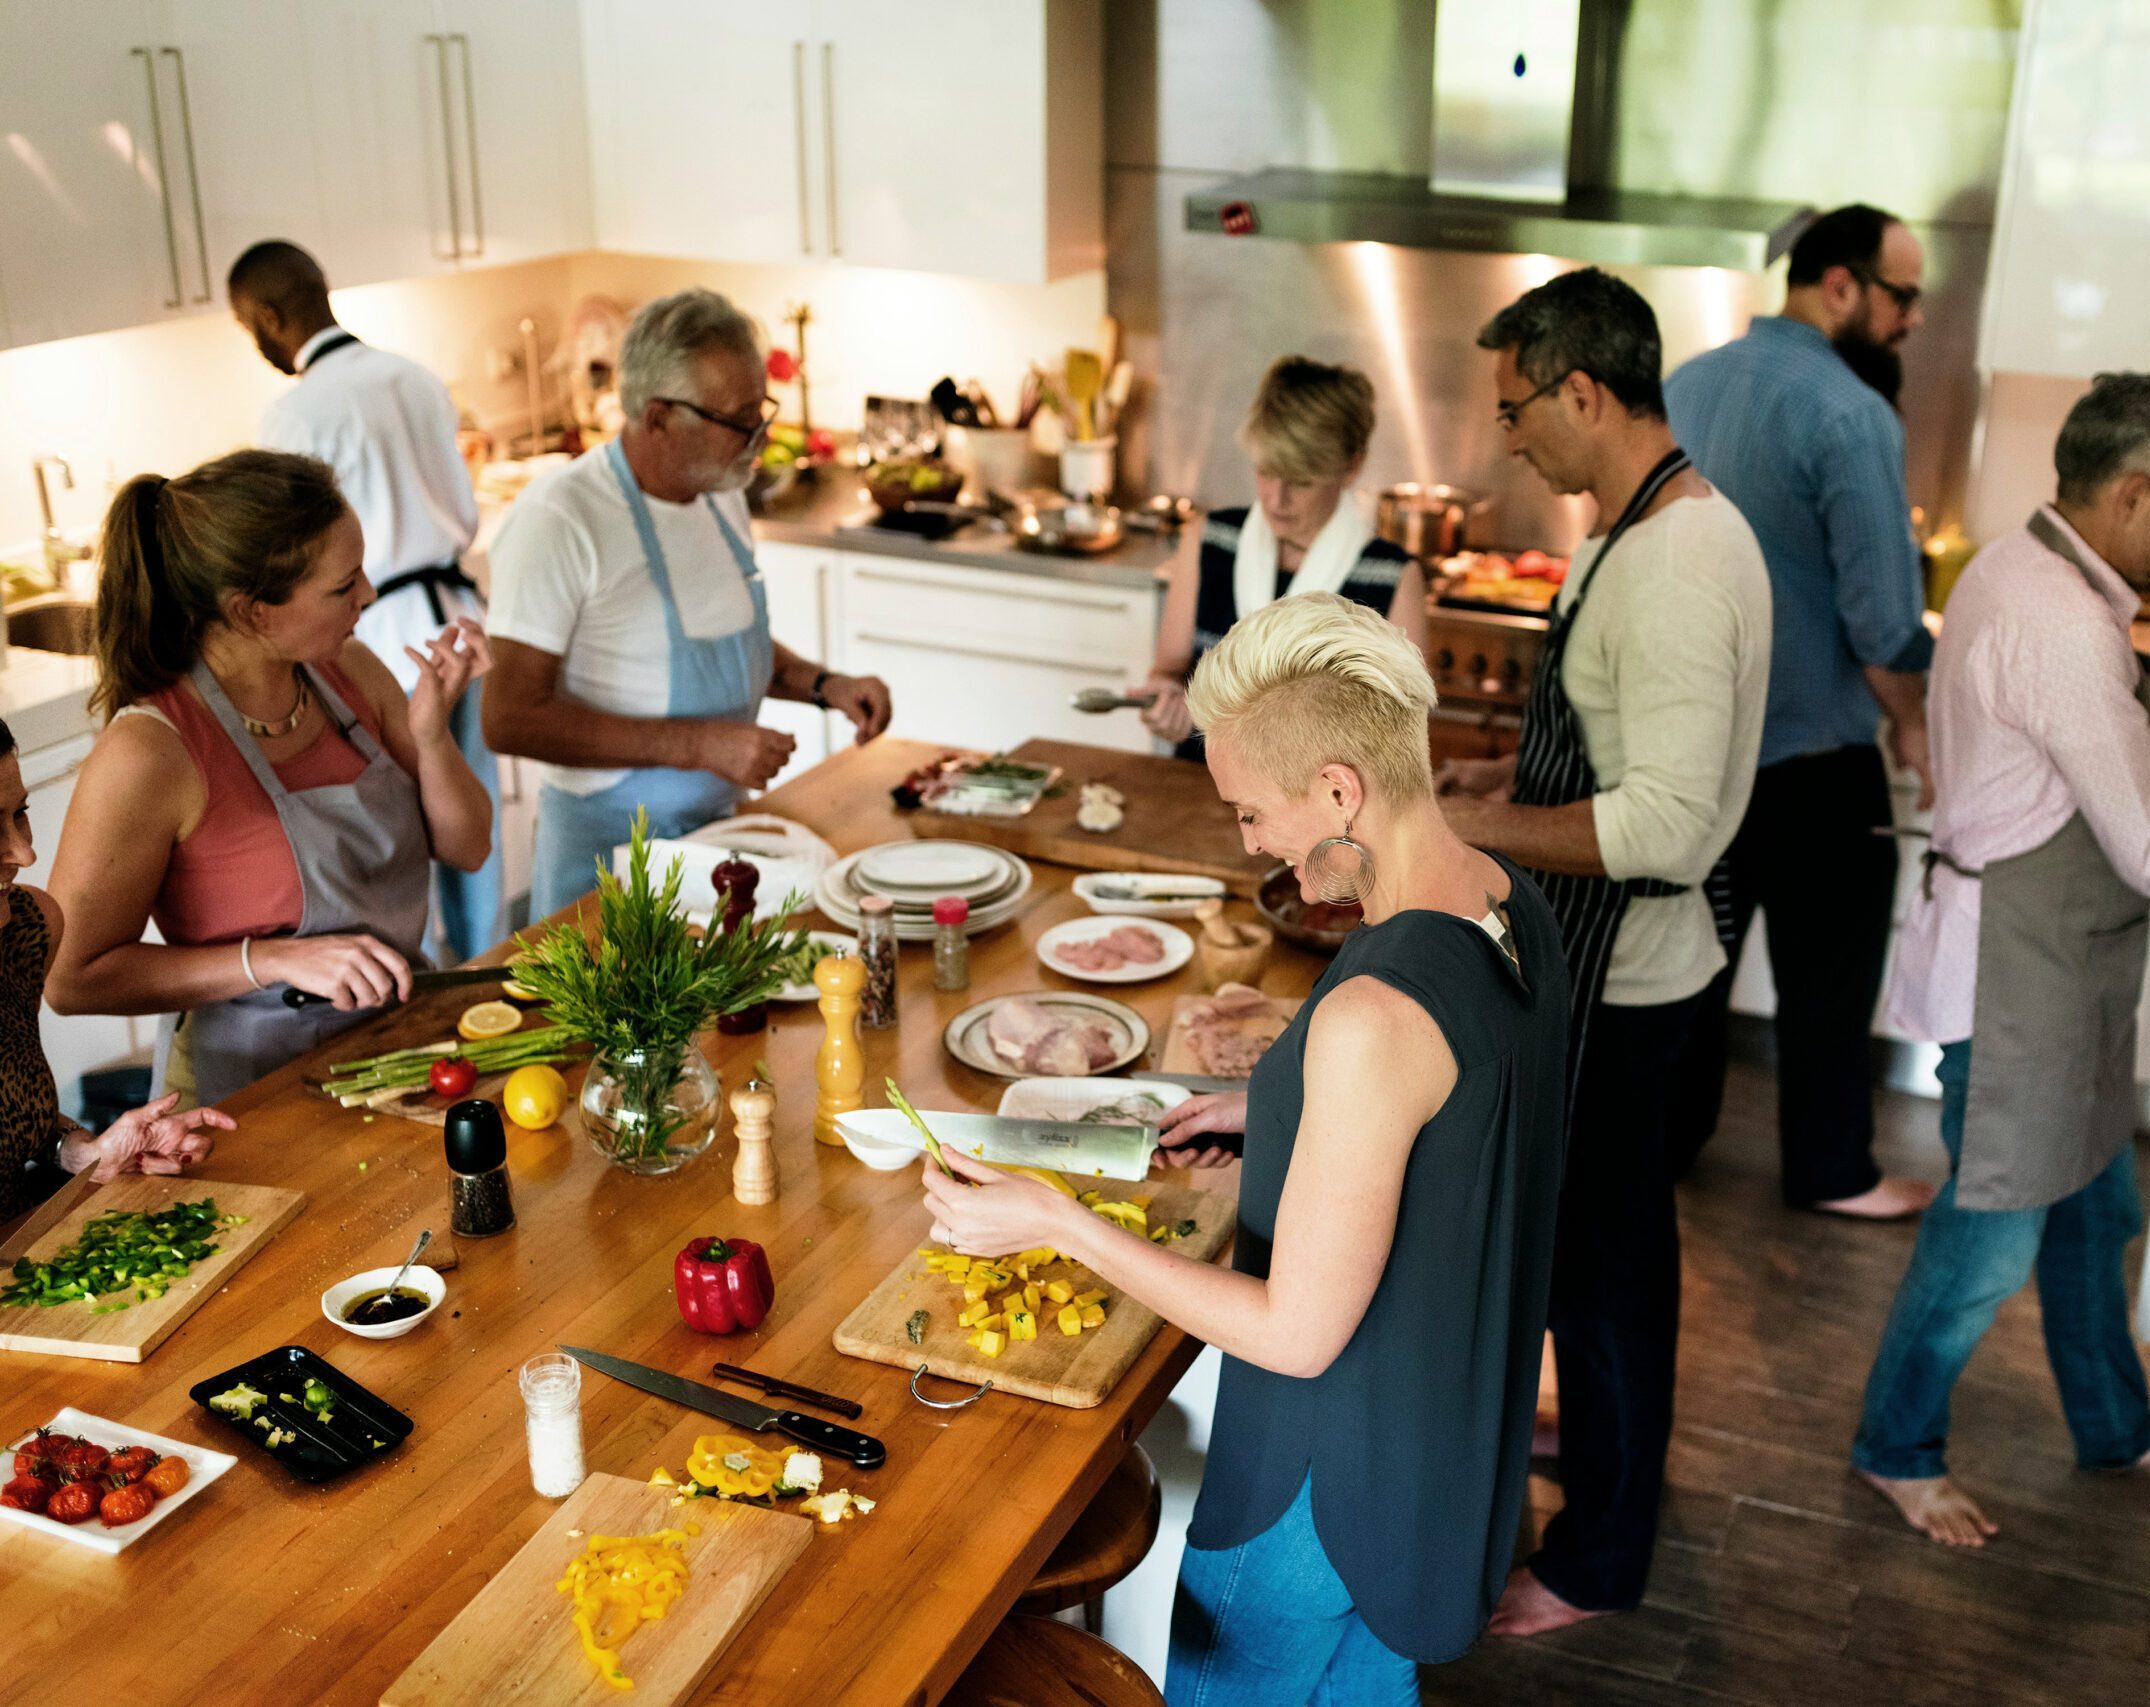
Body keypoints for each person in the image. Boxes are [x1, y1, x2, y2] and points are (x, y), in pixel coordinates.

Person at [922, 592, 1570, 1702]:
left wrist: (1055, 1222)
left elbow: (1296, 1334)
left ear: (1336, 791)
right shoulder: (1510, 904)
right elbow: (1459, 1131)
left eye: (1248, 812)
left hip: (1320, 1495)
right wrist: (1270, 1114)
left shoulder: (1375, 1016)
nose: (1251, 840)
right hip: (1444, 1454)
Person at [1439, 268, 1772, 1635]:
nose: (1506, 435)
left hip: (1629, 987)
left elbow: (1668, 823)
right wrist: (1484, 773)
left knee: (1608, 1269)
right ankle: (1600, 1464)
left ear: (1585, 391)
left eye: (1517, 408)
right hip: (1591, 967)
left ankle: (1597, 1557)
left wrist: (1474, 825)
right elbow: (1599, 749)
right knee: (1596, 1256)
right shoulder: (1627, 527)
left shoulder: (1684, 561)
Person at [1853, 373, 2150, 1546]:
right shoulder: (2065, 622)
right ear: (2132, 493)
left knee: (2093, 1207)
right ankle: (1893, 1446)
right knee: (1988, 1239)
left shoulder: (2023, 564)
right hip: (2015, 978)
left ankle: (2115, 1426)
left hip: (2053, 970)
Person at [43, 451, 492, 1108]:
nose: (369, 594)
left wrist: (431, 735)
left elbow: (469, 846)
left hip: (396, 1046)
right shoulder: (150, 752)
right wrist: (273, 958)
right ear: (254, 611)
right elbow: (71, 979)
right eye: (343, 587)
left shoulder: (350, 672)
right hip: (248, 1092)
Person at [1664, 203, 1937, 1219]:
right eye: (1900, 294)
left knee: (1693, 965)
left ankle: (1667, 1146)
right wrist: (1910, 720)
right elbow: (1881, 618)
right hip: (1815, 760)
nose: (1909, 318)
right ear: (1839, 286)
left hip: (1694, 749)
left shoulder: (1684, 386)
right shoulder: (1850, 415)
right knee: (1829, 979)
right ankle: (1833, 1172)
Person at [483, 288, 890, 919]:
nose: (760, 435)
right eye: (739, 419)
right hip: (608, 863)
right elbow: (509, 717)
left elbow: (727, 640)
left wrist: (824, 684)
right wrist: (700, 747)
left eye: (762, 411)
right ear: (658, 417)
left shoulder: (719, 491)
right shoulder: (560, 520)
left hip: (719, 842)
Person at [230, 239, 503, 964]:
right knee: (471, 809)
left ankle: (421, 973)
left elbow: (290, 552)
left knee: (399, 831)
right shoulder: (411, 375)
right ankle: (481, 969)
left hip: (372, 633)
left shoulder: (296, 411)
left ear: (265, 315)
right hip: (455, 616)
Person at [0, 718, 234, 1223]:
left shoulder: (25, 929)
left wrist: (86, 1153)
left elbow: (20, 1124)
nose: (24, 852)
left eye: (19, 814)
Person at [1137, 355, 1427, 758]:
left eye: (1301, 481)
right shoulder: (1209, 540)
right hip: (1198, 794)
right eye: (1266, 471)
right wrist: (1163, 703)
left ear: (1352, 466)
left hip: (1324, 814)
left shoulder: (1392, 578)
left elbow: (1399, 745)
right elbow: (1169, 673)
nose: (1277, 498)